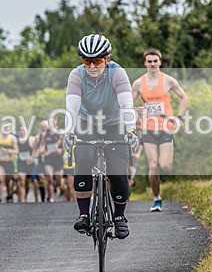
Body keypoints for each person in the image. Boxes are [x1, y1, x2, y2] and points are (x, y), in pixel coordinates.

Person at [63, 34, 139, 240]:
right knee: (83, 158)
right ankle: (84, 214)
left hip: (115, 124)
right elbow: (72, 107)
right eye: (86, 61)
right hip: (87, 123)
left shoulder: (117, 73)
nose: (91, 66)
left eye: (96, 61)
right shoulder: (76, 75)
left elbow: (127, 105)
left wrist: (131, 131)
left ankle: (120, 216)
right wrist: (69, 132)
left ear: (107, 58)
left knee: (117, 170)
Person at [131, 47, 189, 212]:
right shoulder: (138, 84)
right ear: (145, 63)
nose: (152, 64)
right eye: (149, 61)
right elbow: (128, 104)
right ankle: (157, 199)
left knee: (165, 166)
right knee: (153, 165)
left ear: (160, 62)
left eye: (155, 61)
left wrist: (179, 117)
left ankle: (159, 184)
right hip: (148, 129)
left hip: (165, 128)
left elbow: (184, 97)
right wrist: (137, 110)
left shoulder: (168, 81)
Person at [0, 123, 18, 203]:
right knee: (0, 179)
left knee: (8, 180)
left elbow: (16, 151)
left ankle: (9, 194)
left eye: (8, 128)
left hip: (8, 161)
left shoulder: (12, 138)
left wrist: (7, 151)